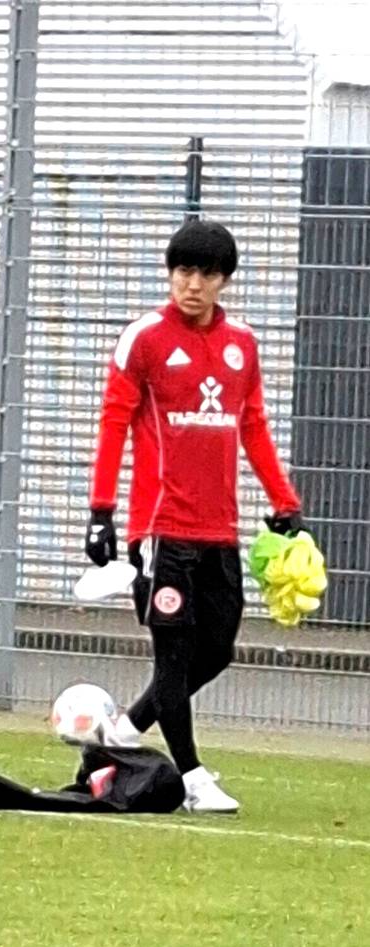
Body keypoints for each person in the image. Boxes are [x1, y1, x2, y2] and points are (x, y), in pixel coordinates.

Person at [85, 220, 304, 813]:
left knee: (218, 651)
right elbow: (112, 424)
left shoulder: (243, 345)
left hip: (220, 530)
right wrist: (101, 512)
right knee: (174, 656)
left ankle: (123, 733)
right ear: (170, 273)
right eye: (183, 271)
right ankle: (192, 777)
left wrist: (286, 502)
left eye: (206, 273)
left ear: (224, 281)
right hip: (162, 531)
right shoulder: (146, 339)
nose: (193, 284)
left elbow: (252, 425)